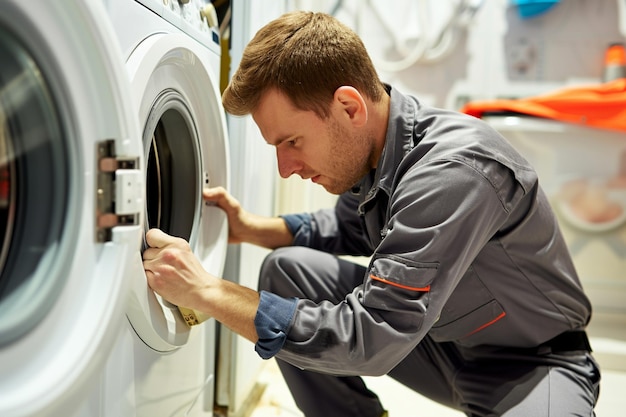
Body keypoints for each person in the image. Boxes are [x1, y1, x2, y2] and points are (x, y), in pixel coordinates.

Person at [142, 10, 601, 417]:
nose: (286, 169)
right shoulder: (379, 151)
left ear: (348, 106)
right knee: (287, 270)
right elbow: (342, 228)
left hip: (531, 364)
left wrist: (209, 291)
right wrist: (251, 230)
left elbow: (373, 337)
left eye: (292, 142)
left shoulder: (452, 172)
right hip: (437, 347)